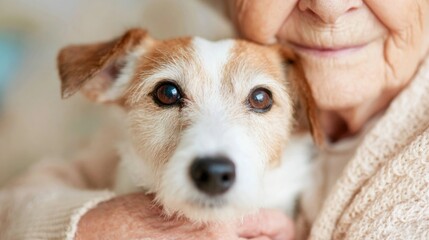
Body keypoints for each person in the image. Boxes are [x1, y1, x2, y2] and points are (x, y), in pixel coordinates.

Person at [1, 0, 428, 239]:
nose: (330, 8)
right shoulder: (122, 135)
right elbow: (10, 208)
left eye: (259, 100)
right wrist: (96, 225)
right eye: (169, 94)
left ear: (299, 115)